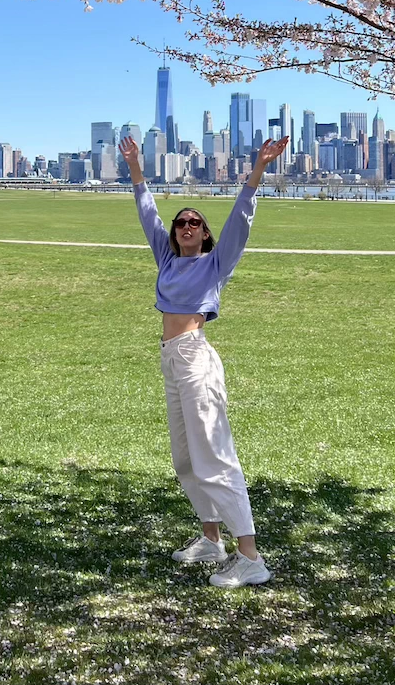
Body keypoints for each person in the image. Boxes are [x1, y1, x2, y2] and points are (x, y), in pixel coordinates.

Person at [119, 133, 288, 589]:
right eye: (181, 223)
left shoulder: (216, 263)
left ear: (205, 233)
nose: (186, 227)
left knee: (213, 453)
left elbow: (241, 219)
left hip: (196, 357)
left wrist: (258, 169)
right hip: (170, 359)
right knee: (186, 459)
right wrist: (135, 165)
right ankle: (211, 539)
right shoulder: (166, 259)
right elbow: (145, 209)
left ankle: (250, 556)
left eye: (195, 222)